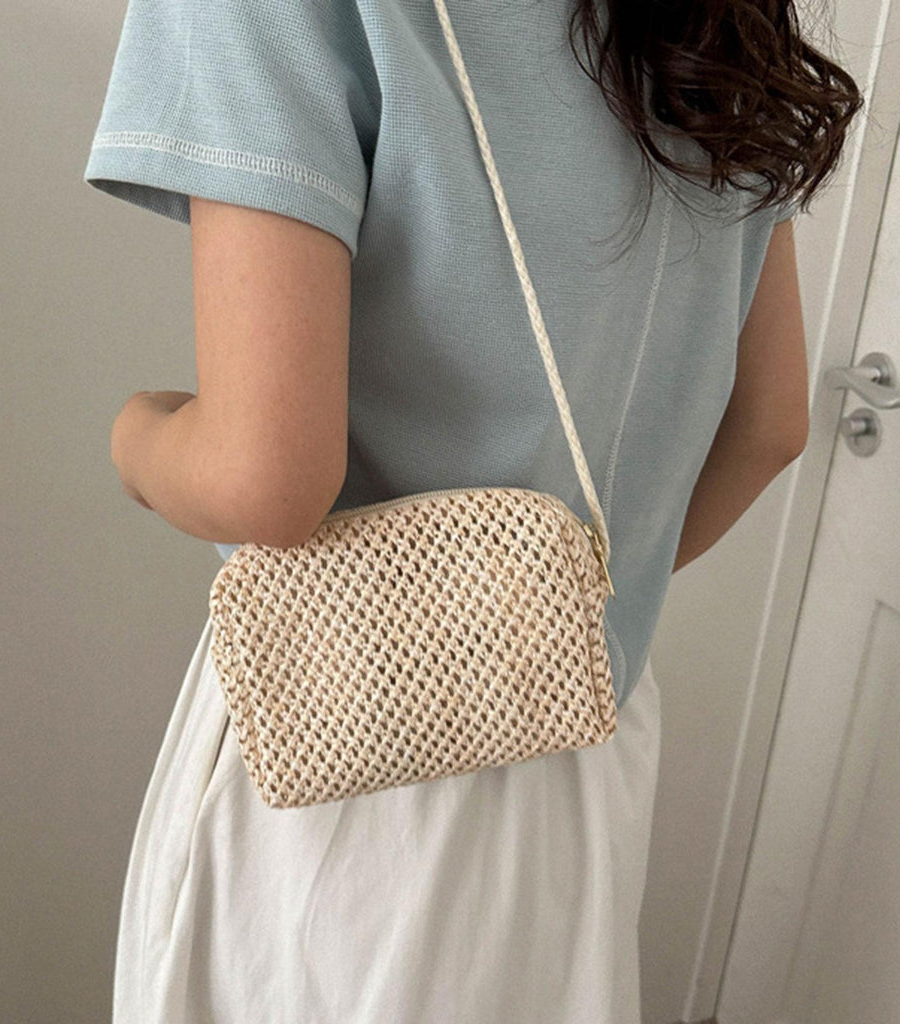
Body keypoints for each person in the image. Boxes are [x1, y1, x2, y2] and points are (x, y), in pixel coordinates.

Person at [83, 0, 861, 1020]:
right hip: (586, 737)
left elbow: (261, 480)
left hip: (346, 774)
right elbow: (768, 424)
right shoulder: (724, 17)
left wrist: (136, 436)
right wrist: (531, 607)